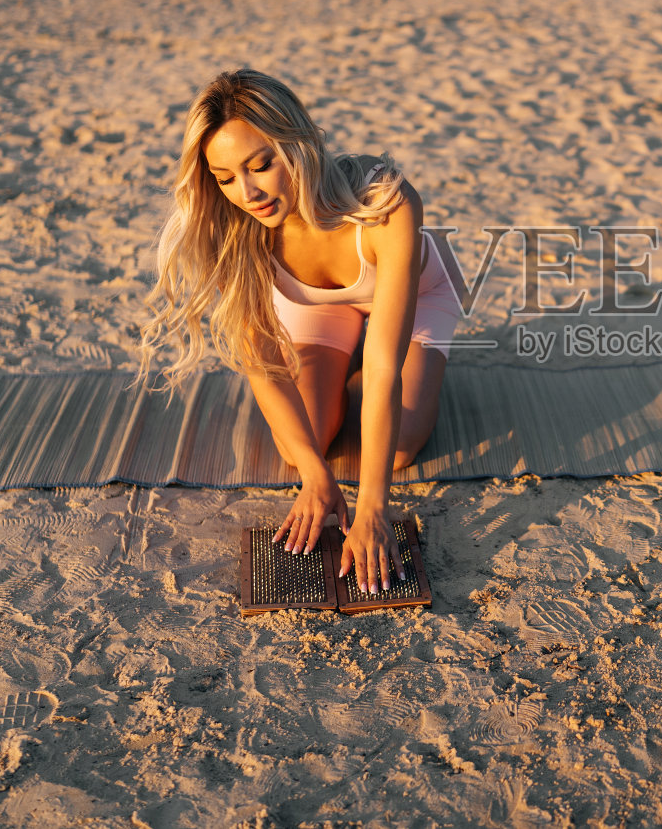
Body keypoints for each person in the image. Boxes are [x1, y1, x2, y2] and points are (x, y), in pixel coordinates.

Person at [138, 69, 459, 594]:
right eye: (224, 177)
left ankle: (391, 362)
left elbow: (383, 369)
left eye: (261, 165)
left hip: (414, 299)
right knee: (301, 443)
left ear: (299, 144)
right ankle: (339, 363)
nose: (247, 192)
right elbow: (259, 362)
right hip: (319, 307)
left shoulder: (384, 202)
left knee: (400, 445)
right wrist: (315, 475)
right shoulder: (235, 227)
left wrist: (371, 508)